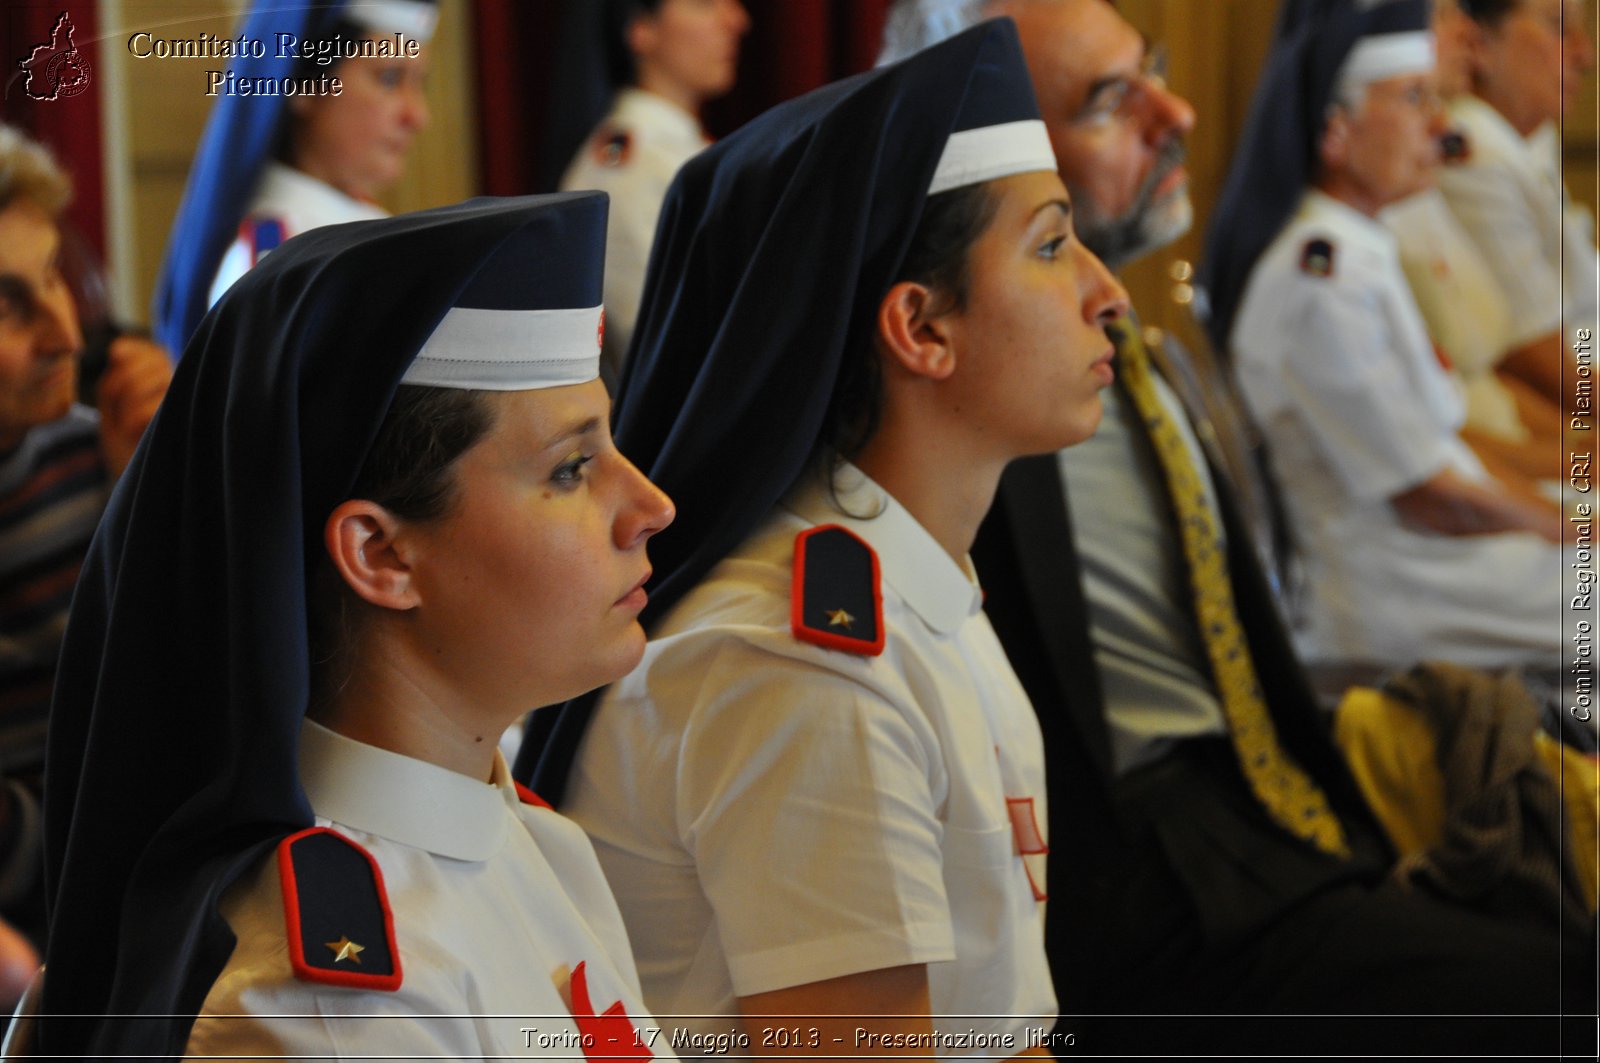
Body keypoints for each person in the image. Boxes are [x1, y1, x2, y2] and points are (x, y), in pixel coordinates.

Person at [881, 0, 1588, 1054]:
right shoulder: (969, 409)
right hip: (1173, 863)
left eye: (1154, 70)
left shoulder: (1143, 344)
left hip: (1271, 793)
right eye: (1110, 100)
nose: (1180, 112)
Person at [521, 19, 1127, 1055]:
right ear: (921, 328)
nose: (1105, 292)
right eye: (1052, 244)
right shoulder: (803, 667)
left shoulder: (908, 585)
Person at [34, 193, 677, 1060]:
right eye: (571, 468)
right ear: (380, 553)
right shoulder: (334, 1010)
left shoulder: (523, 836)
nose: (650, 505)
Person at [1208, 0, 1565, 674]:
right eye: (1412, 99)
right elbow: (1432, 494)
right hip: (1393, 584)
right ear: (1336, 132)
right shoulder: (1323, 277)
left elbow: (1443, 448)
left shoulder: (1351, 249)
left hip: (1423, 554)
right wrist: (1569, 528)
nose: (1439, 126)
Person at [0, 123, 170, 964]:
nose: (64, 334)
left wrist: (154, 496)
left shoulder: (91, 450)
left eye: (54, 280)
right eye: (7, 304)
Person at [152, 0, 437, 354]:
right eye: (389, 78)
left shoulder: (358, 223)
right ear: (304, 84)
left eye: (420, 82)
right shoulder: (275, 260)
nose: (417, 115)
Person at [1382, 0, 1567, 481]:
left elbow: (1486, 379)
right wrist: (1572, 470)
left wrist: (1579, 448)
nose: (1467, 32)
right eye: (1439, 14)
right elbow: (1429, 455)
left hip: (1507, 467)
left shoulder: (1419, 189)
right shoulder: (1355, 235)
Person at [555, 0, 749, 382]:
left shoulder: (683, 153)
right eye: (704, 4)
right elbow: (668, 354)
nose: (736, 19)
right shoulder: (629, 166)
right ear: (641, 29)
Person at [1439, 0, 1596, 399]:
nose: (1585, 54)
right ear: (1480, 41)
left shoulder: (1528, 139)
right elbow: (1544, 361)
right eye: (1558, 27)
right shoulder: (1475, 148)